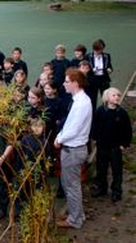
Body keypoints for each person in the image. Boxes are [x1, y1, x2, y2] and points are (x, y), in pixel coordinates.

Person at [53, 68, 92, 229]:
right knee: (70, 184)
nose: (64, 84)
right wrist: (60, 135)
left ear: (76, 83)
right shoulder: (78, 100)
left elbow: (74, 128)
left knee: (71, 186)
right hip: (72, 149)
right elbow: (69, 124)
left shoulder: (82, 103)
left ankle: (75, 220)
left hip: (73, 150)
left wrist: (60, 139)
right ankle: (77, 214)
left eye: (67, 81)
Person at [91, 87, 132, 202]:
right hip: (102, 146)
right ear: (107, 98)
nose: (117, 97)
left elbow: (127, 130)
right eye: (114, 95)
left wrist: (124, 144)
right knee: (101, 169)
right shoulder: (100, 111)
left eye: (118, 95)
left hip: (115, 147)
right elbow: (95, 126)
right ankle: (102, 188)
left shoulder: (122, 113)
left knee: (116, 170)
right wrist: (95, 138)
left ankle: (116, 191)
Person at [85, 39, 113, 109]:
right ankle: (92, 116)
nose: (99, 52)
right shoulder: (88, 56)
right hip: (92, 80)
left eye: (101, 50)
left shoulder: (107, 56)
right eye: (97, 50)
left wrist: (109, 70)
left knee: (106, 98)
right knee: (92, 99)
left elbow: (110, 66)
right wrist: (92, 70)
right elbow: (85, 69)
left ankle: (106, 113)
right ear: (94, 49)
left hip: (104, 79)